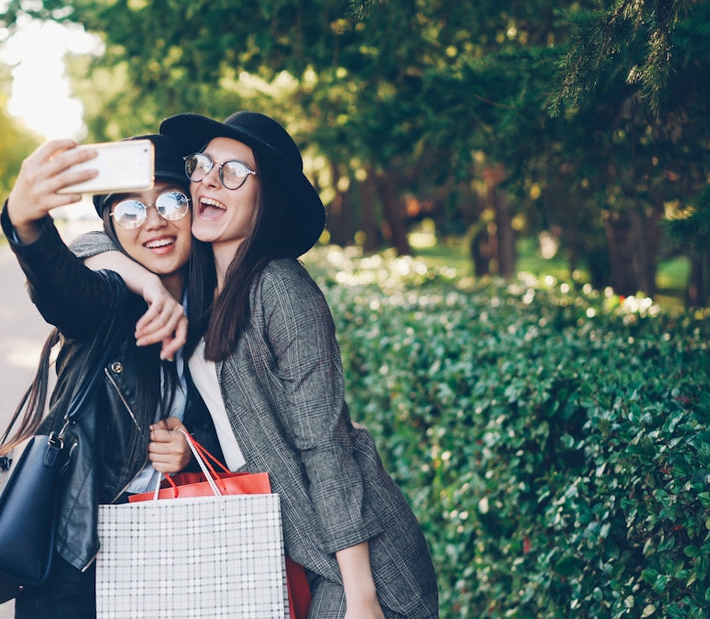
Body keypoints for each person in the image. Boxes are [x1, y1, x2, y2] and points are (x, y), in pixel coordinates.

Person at [75, 112, 440, 618]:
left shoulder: (279, 286)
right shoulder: (207, 288)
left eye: (232, 172)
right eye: (203, 166)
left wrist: (360, 595)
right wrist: (148, 284)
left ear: (265, 198)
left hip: (356, 562)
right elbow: (89, 246)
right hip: (287, 545)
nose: (207, 180)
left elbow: (326, 445)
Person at [0, 133, 223, 618]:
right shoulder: (107, 304)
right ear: (112, 227)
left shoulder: (223, 305)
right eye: (131, 211)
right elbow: (62, 286)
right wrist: (25, 220)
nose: (155, 222)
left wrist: (193, 445)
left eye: (171, 201)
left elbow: (248, 424)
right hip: (78, 552)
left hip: (182, 549)